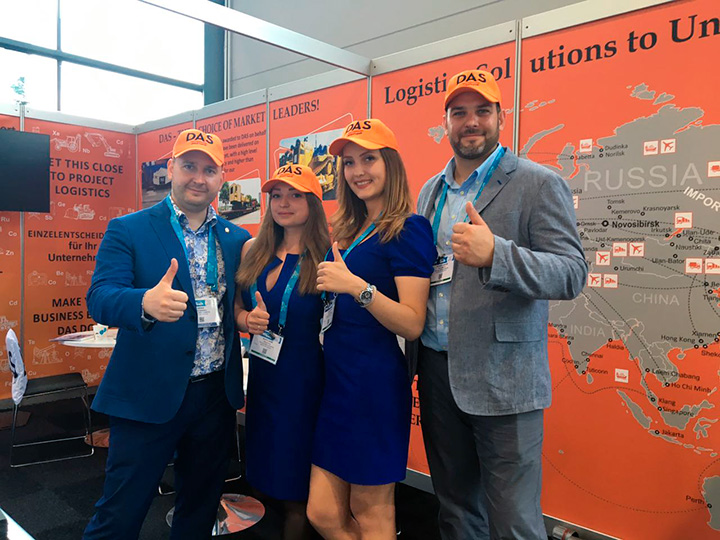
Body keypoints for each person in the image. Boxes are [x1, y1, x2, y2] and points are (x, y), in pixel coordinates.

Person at [414, 69, 588, 540]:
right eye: (459, 113)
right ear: (446, 123)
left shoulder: (537, 183)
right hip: (437, 372)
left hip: (505, 378)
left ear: (501, 118)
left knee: (513, 522)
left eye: (482, 111)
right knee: (455, 511)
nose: (471, 122)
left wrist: (498, 255)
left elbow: (571, 273)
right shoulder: (430, 192)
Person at [83, 129, 250, 540]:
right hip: (147, 393)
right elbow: (99, 298)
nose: (199, 178)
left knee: (200, 508)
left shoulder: (237, 239)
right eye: (189, 166)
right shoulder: (128, 228)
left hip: (214, 395)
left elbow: (237, 308)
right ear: (171, 168)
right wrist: (143, 302)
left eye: (209, 170)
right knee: (121, 512)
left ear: (221, 178)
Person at [307, 119, 436, 539]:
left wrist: (357, 288)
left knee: (371, 511)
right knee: (322, 512)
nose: (358, 171)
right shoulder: (349, 229)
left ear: (390, 164)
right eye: (349, 162)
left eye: (369, 159)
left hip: (374, 386)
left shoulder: (409, 229)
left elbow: (412, 322)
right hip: (337, 382)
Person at [235, 164, 330, 540]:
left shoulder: (328, 257)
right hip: (263, 381)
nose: (283, 203)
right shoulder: (253, 250)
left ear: (314, 203)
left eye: (295, 195)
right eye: (276, 195)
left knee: (295, 488)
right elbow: (237, 309)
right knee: (259, 476)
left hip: (304, 385)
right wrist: (247, 320)